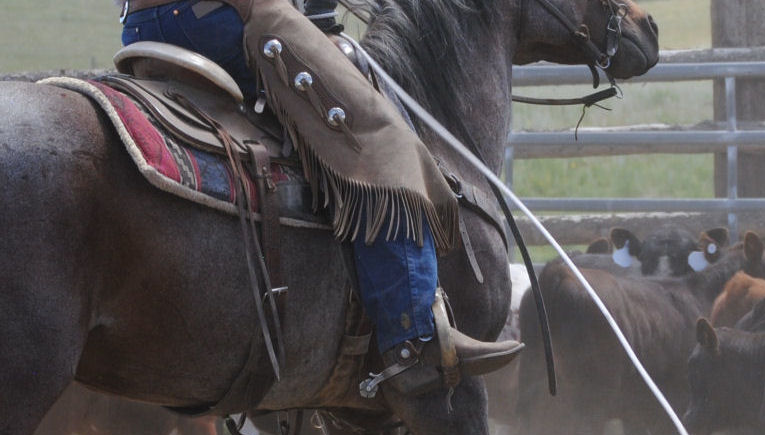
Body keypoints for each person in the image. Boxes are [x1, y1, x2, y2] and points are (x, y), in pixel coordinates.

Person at [121, 0, 521, 396]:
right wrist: (319, 16)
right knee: (375, 135)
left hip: (138, 25)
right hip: (217, 18)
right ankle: (413, 336)